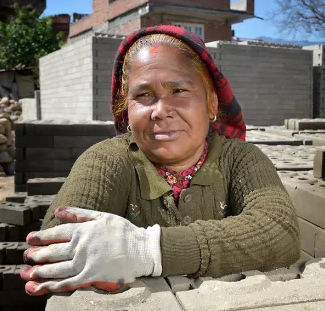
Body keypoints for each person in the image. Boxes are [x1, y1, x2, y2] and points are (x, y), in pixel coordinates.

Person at [19, 25, 301, 296]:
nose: (160, 111)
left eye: (179, 91)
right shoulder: (109, 161)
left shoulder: (239, 159)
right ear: (125, 108)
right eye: (144, 95)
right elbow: (56, 247)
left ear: (211, 102)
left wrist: (146, 250)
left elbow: (279, 232)